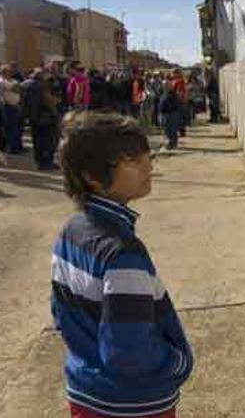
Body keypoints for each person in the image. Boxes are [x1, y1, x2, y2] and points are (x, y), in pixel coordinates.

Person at [51, 111, 193, 418]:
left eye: (146, 156)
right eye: (132, 160)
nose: (148, 166)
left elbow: (60, 314)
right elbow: (129, 351)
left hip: (85, 392)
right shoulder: (122, 254)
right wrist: (177, 362)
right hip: (131, 406)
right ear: (92, 176)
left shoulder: (71, 229)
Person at [25, 68, 60, 170]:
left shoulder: (28, 85)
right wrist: (55, 104)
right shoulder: (42, 87)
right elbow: (48, 101)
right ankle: (46, 162)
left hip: (34, 117)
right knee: (48, 141)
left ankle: (40, 161)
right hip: (45, 117)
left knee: (37, 141)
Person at [0, 65, 23, 154]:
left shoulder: (12, 80)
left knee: (18, 128)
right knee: (11, 128)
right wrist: (15, 87)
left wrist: (16, 87)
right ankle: (12, 148)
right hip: (8, 106)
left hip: (16, 106)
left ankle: (18, 146)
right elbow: (15, 88)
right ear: (3, 72)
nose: (10, 73)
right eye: (8, 71)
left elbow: (20, 89)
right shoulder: (1, 82)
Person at [159, 82, 182, 150]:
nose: (167, 87)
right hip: (166, 114)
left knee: (172, 130)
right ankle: (172, 143)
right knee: (168, 129)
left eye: (168, 86)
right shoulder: (164, 94)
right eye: (166, 86)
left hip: (172, 114)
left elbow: (177, 104)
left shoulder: (173, 95)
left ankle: (173, 143)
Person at [170, 69, 188, 137]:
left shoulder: (179, 81)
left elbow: (179, 92)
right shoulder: (179, 81)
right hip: (180, 101)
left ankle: (181, 131)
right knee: (180, 117)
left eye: (174, 73)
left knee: (179, 117)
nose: (173, 74)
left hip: (178, 101)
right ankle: (181, 131)